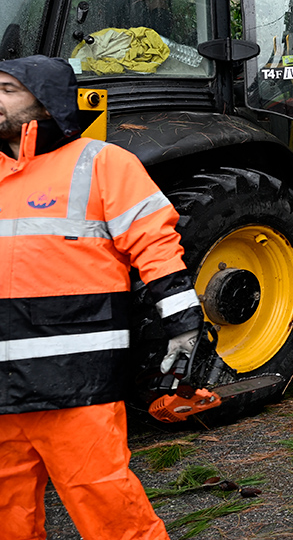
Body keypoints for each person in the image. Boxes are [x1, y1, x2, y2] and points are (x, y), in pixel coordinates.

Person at [0, 55, 202, 540]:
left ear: (46, 105)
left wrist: (184, 325)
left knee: (106, 503)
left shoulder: (104, 164)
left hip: (75, 382)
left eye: (7, 89)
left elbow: (155, 245)